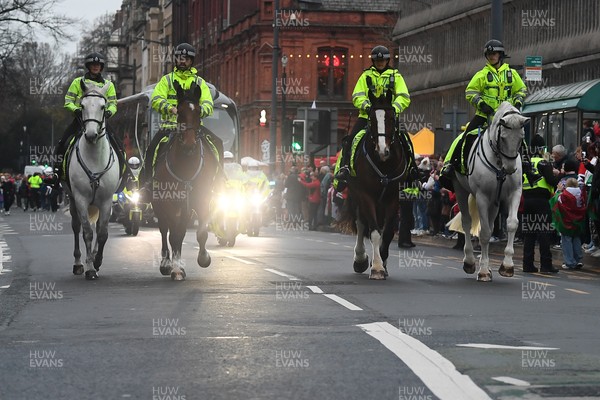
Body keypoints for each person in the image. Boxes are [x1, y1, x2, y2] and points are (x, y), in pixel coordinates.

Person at [440, 39, 527, 190]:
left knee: (520, 139)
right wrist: (481, 104)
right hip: (485, 115)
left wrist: (518, 102)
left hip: (506, 118)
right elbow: (470, 92)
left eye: (494, 54)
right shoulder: (481, 75)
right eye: (489, 54)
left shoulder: (512, 74)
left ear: (500, 54)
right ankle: (452, 164)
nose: (491, 56)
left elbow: (521, 90)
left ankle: (528, 167)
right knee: (466, 137)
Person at [138, 43, 218, 198]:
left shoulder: (200, 83)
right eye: (180, 58)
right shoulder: (167, 80)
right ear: (175, 60)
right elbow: (156, 99)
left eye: (186, 59)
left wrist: (200, 110)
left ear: (191, 61)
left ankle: (218, 182)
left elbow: (209, 103)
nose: (183, 61)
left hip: (194, 128)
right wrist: (170, 108)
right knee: (152, 150)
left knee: (216, 147)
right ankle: (147, 186)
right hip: (170, 127)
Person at [333, 45, 413, 191]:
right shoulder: (365, 76)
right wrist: (367, 107)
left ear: (387, 61)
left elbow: (404, 96)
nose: (380, 63)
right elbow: (357, 95)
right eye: (377, 61)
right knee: (350, 139)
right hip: (367, 117)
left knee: (406, 139)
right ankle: (344, 169)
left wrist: (394, 109)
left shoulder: (396, 76)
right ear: (373, 61)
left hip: (388, 117)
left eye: (382, 61)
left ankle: (413, 170)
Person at [57, 52, 125, 180]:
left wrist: (109, 111)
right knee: (63, 143)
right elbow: (68, 101)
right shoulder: (78, 82)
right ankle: (57, 172)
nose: (96, 67)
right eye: (93, 64)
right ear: (88, 66)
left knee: (119, 146)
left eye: (98, 65)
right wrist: (76, 110)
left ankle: (123, 175)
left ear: (101, 67)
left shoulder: (108, 85)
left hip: (100, 121)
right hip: (80, 121)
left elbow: (113, 104)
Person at [521, 142, 559, 274]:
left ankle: (527, 265)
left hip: (527, 200)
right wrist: (557, 175)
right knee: (543, 233)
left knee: (529, 233)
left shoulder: (525, 162)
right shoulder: (543, 162)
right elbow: (550, 181)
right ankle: (546, 265)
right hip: (541, 200)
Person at [551, 177, 586, 270]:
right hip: (578, 222)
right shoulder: (580, 194)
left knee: (567, 241)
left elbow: (555, 201)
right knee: (576, 239)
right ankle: (577, 260)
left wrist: (558, 191)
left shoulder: (564, 195)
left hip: (566, 222)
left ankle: (569, 262)